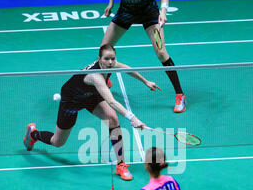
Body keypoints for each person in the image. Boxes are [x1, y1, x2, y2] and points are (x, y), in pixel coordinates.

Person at [23, 44, 160, 181]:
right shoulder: (95, 76)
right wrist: (132, 118)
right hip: (72, 101)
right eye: (107, 59)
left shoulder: (111, 64)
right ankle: (33, 134)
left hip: (91, 96)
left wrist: (146, 81)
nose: (110, 62)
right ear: (99, 59)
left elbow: (127, 69)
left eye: (113, 58)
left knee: (113, 119)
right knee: (57, 142)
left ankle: (121, 164)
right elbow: (111, 101)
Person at [101, 0, 186, 113]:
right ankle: (107, 80)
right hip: (126, 12)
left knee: (161, 53)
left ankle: (180, 95)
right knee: (105, 47)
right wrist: (111, 2)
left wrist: (163, 12)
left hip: (149, 15)